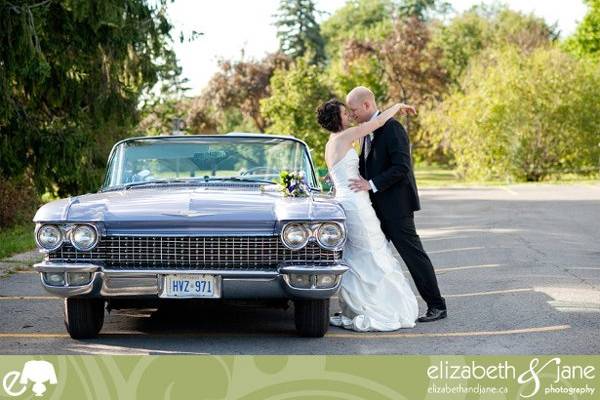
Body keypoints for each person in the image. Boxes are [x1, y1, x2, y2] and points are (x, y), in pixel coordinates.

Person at [346, 86, 447, 323]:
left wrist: (371, 184)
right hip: (375, 209)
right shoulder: (368, 132)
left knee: (413, 256)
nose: (352, 116)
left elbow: (401, 167)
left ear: (367, 106)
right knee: (371, 257)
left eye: (353, 111)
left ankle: (437, 305)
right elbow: (366, 165)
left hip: (397, 208)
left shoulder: (393, 128)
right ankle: (370, 306)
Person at [316, 98, 419, 331]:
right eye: (345, 112)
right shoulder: (345, 136)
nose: (350, 115)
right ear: (338, 118)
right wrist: (398, 107)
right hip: (355, 203)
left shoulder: (331, 142)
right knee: (372, 251)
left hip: (348, 200)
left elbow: (337, 173)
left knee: (359, 254)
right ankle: (376, 308)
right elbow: (380, 120)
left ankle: (359, 305)